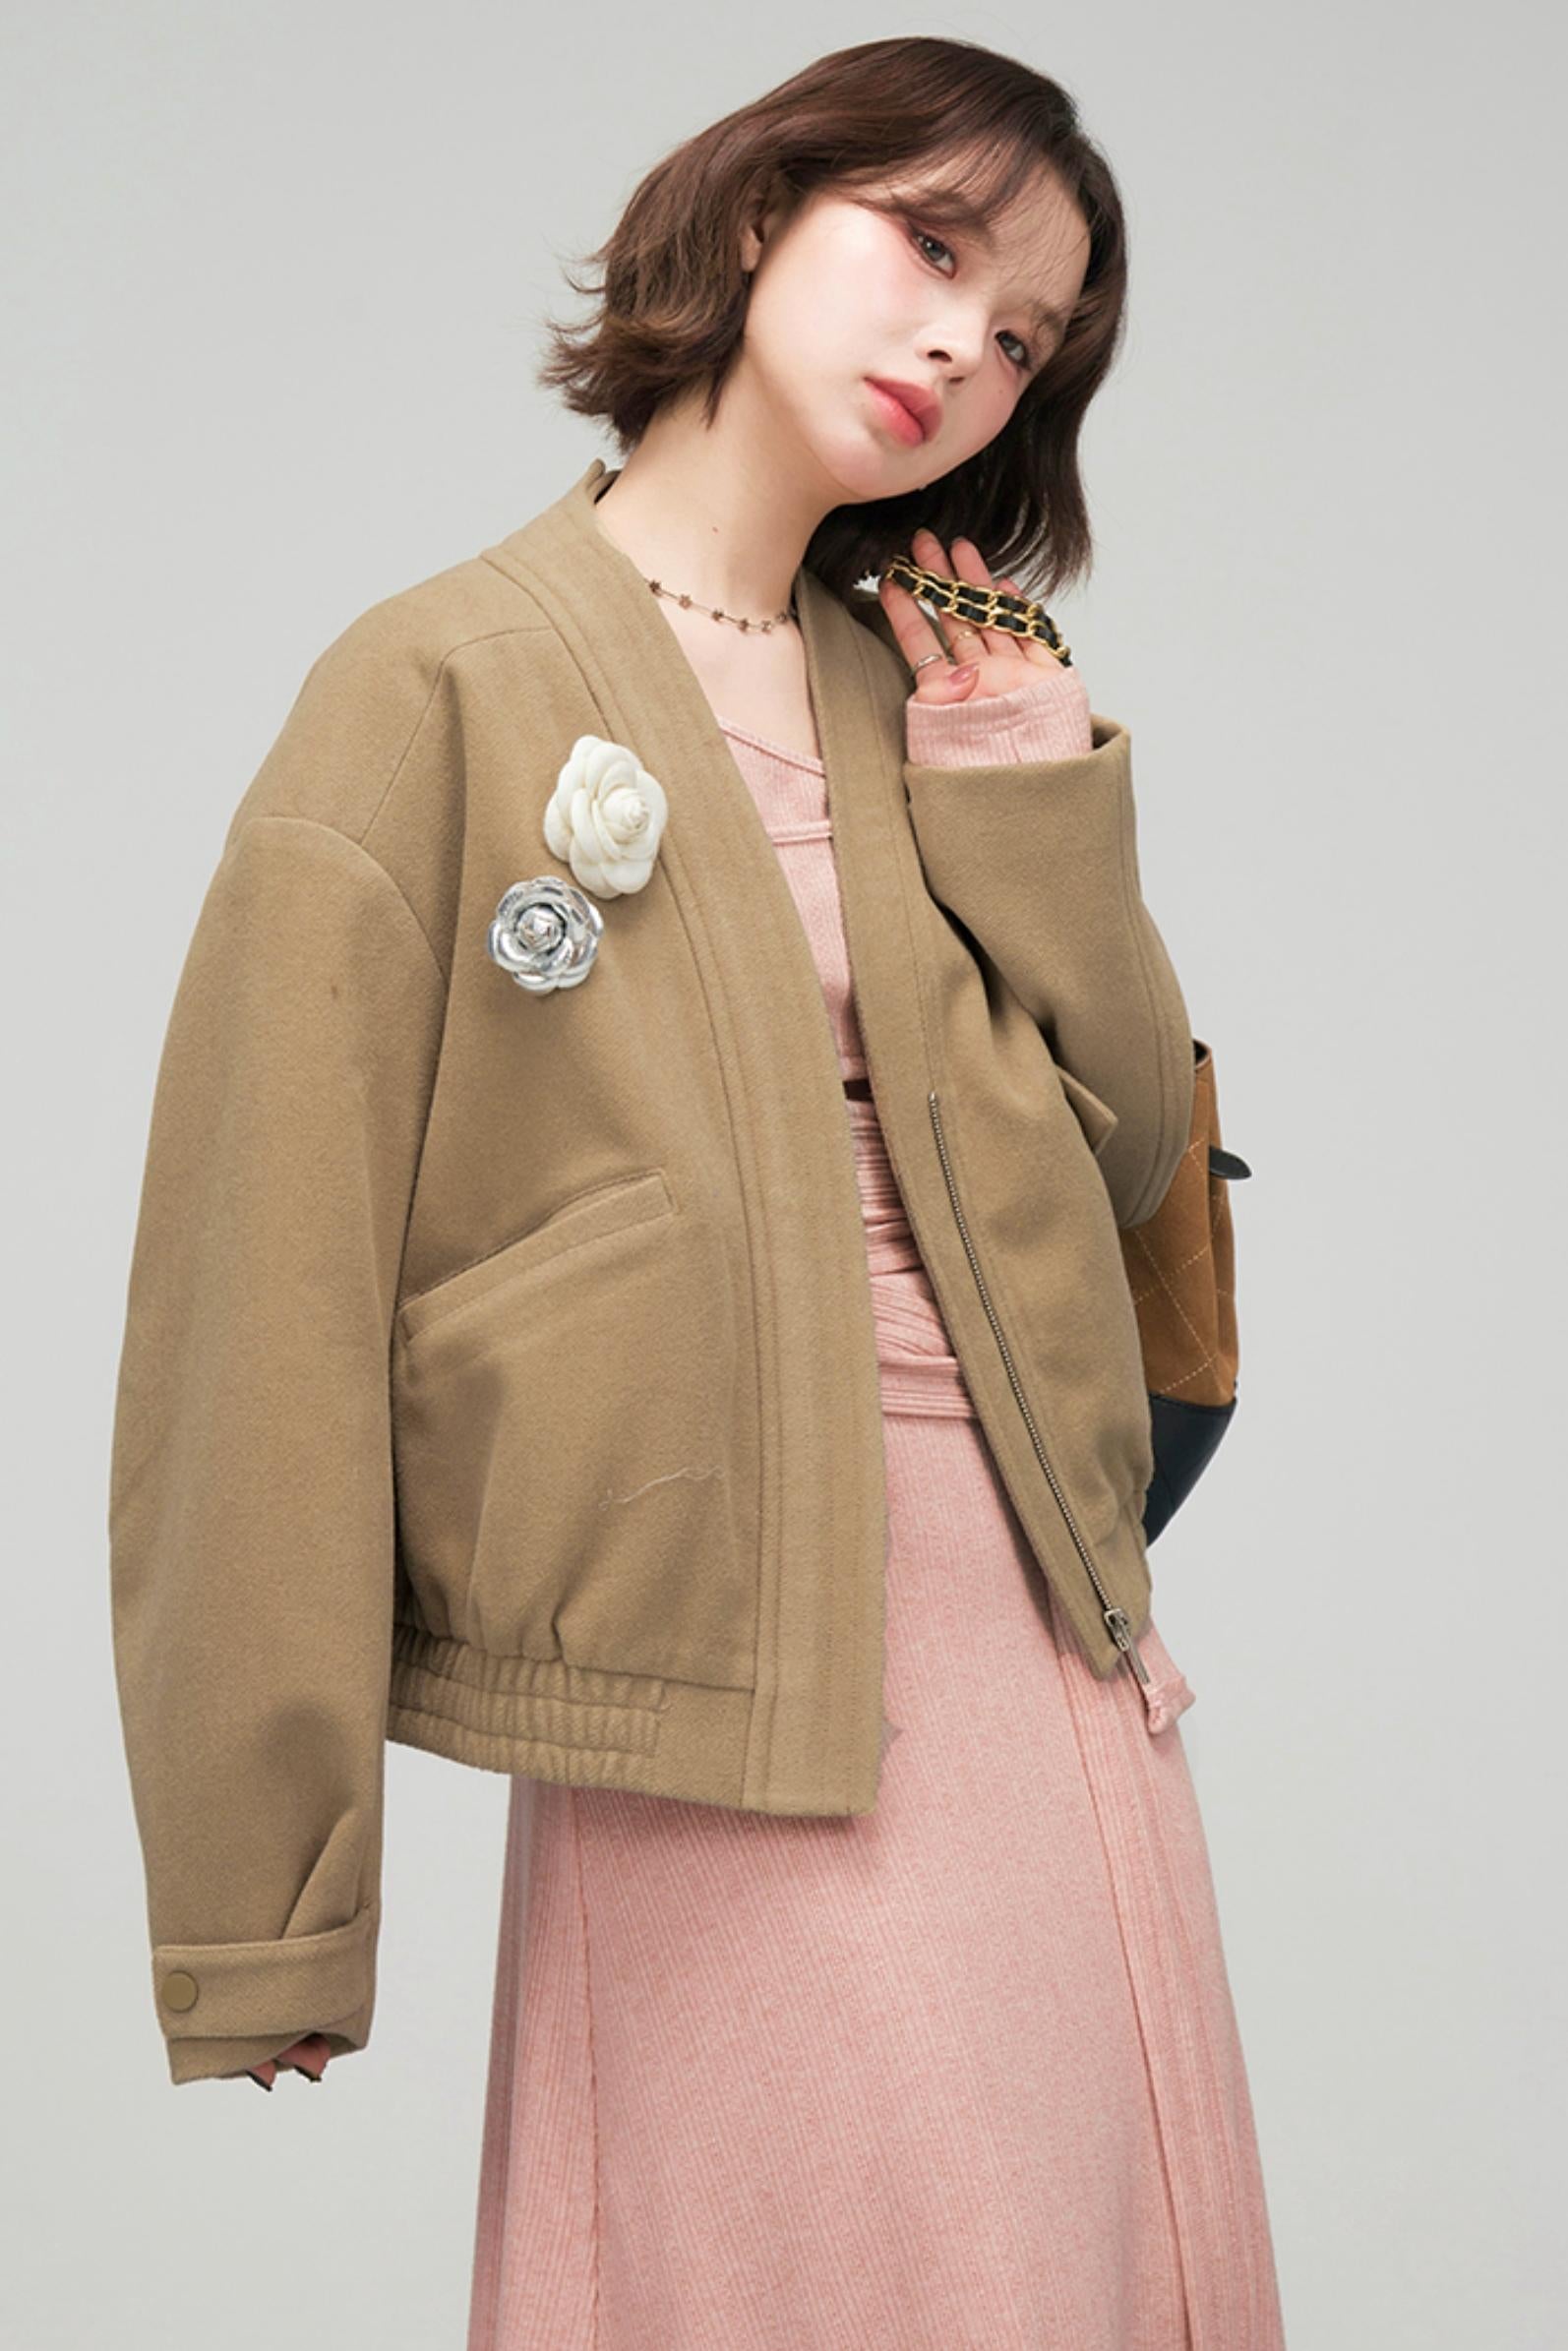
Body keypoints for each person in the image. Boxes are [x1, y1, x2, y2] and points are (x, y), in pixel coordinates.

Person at [109, 33, 1287, 2348]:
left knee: (1071, 2263)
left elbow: (1129, 1156)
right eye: (924, 247)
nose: (958, 347)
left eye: (1020, 334)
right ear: (759, 215)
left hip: (1046, 1624)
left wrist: (1025, 775)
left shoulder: (933, 691)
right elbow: (259, 1297)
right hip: (728, 1657)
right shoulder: (434, 682)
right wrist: (266, 1887)